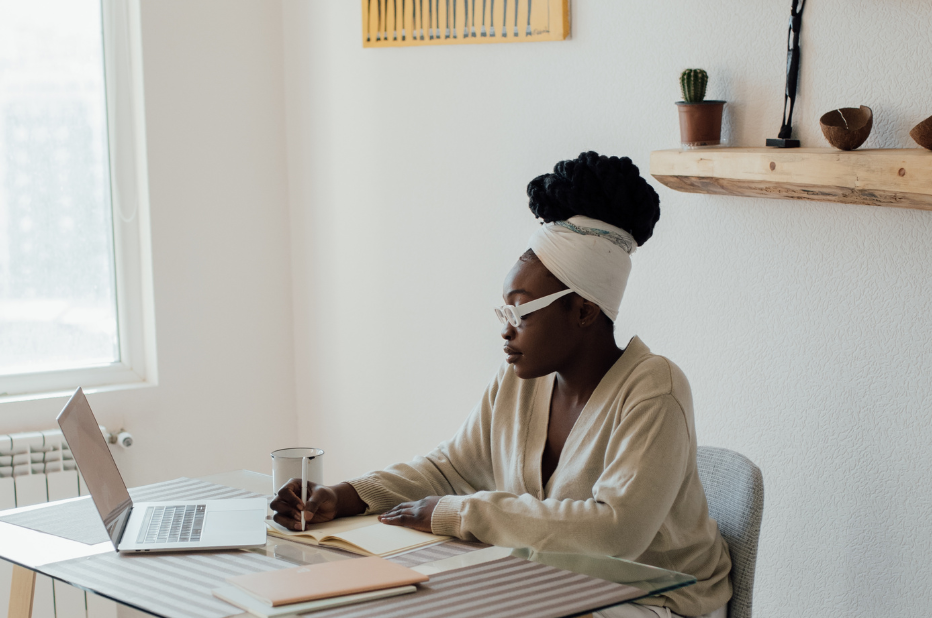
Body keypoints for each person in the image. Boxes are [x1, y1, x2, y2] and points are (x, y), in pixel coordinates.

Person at [271, 152, 732, 618]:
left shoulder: (655, 389)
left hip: (661, 599)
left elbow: (616, 533)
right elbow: (447, 470)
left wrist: (459, 513)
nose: (506, 330)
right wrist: (343, 496)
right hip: (561, 583)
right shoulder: (521, 382)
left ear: (584, 311)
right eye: (504, 311)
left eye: (521, 311)